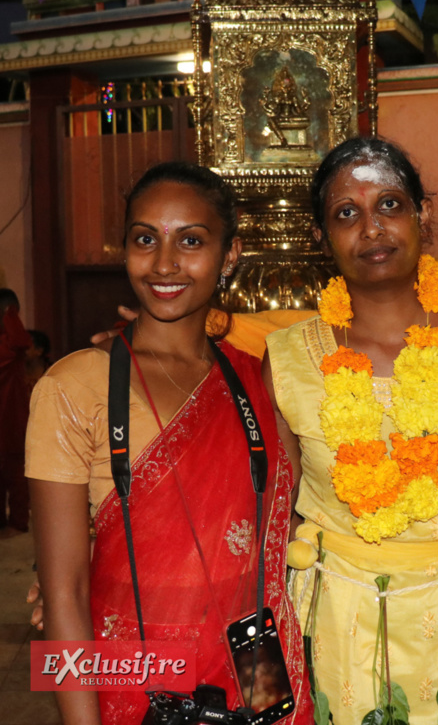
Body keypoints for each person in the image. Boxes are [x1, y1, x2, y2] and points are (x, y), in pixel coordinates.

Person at [26, 162, 313, 725]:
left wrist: (268, 705)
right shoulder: (74, 385)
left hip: (253, 671)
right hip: (130, 690)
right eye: (144, 239)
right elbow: (64, 594)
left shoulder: (261, 382)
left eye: (191, 241)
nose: (164, 263)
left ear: (229, 256)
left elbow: (266, 565)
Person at [262, 137, 438, 724]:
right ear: (320, 235)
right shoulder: (287, 358)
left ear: (422, 215)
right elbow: (274, 511)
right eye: (346, 213)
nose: (372, 229)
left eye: (389, 204)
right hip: (338, 621)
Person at [0, 288, 32, 536]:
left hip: (10, 418)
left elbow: (21, 341)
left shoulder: (10, 346)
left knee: (15, 471)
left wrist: (8, 314)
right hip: (9, 418)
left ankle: (18, 523)